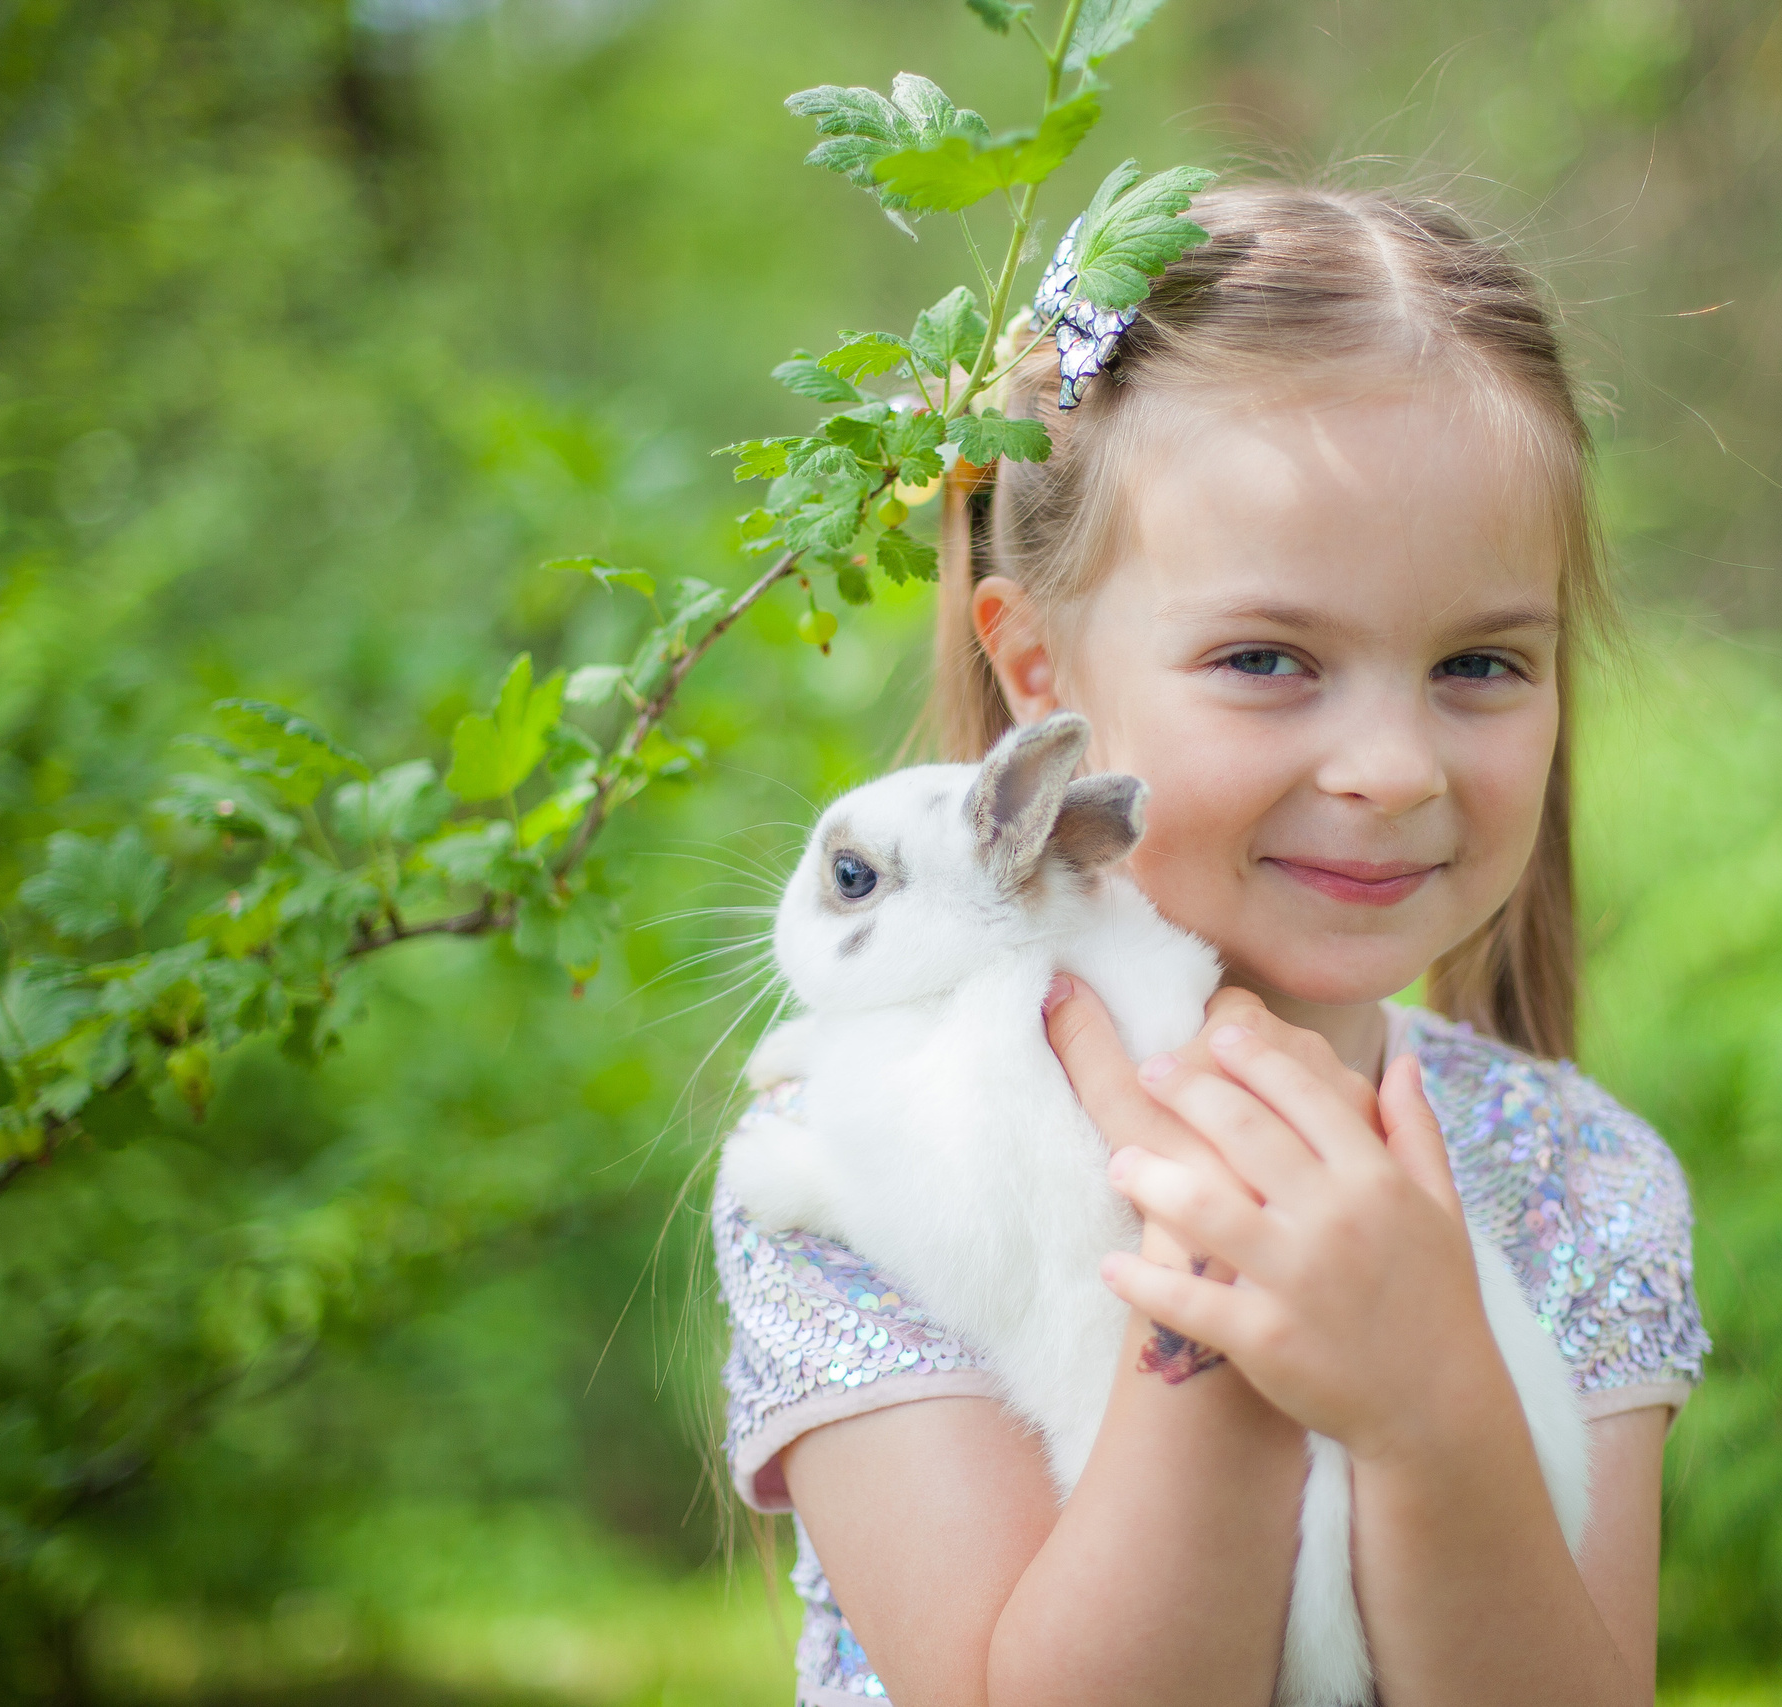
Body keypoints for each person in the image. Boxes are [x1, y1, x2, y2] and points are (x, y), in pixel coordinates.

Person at [710, 182, 1710, 1706]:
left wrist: (1432, 1406)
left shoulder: (1578, 1177)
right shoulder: (850, 1164)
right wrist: (1229, 1303)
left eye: (1481, 662)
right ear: (1039, 668)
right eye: (1267, 659)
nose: (1395, 767)